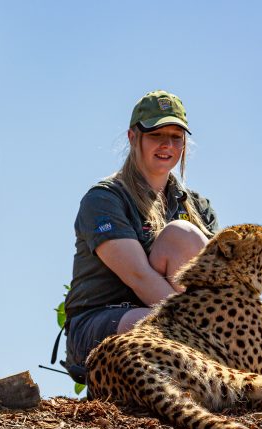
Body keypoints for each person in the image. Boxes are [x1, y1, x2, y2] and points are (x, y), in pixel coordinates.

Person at [62, 90, 218, 381]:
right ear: (133, 137)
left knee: (186, 236)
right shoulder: (104, 199)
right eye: (157, 134)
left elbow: (219, 285)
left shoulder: (198, 206)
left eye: (176, 137)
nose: (167, 145)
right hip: (100, 323)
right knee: (151, 328)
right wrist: (200, 336)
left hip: (176, 321)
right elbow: (140, 278)